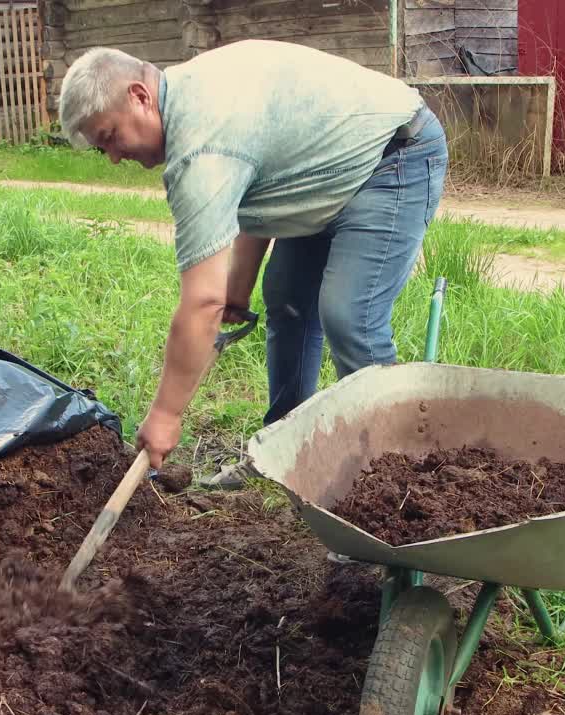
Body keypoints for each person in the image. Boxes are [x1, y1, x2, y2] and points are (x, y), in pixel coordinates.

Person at [57, 39, 449, 480]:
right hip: (324, 175)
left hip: (392, 155)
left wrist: (166, 414)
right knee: (286, 298)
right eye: (101, 149)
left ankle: (396, 473)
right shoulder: (189, 96)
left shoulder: (200, 145)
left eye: (110, 137)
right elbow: (261, 189)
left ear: (140, 96)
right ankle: (284, 450)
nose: (113, 157)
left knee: (349, 316)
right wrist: (238, 288)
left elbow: (201, 302)